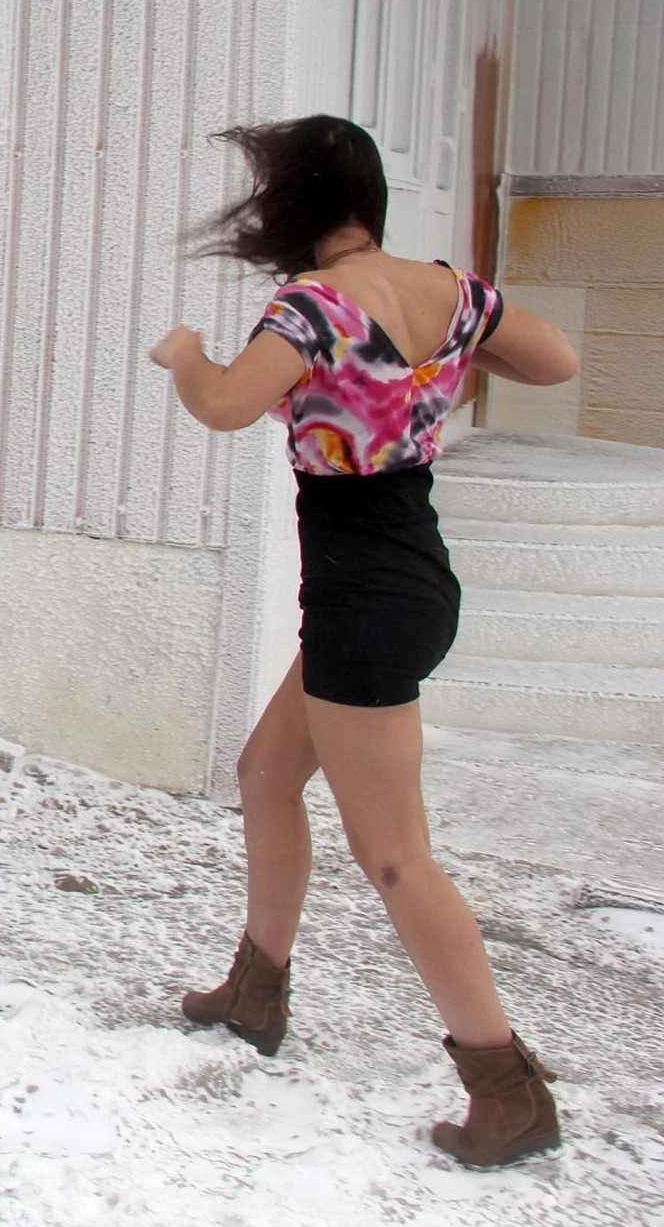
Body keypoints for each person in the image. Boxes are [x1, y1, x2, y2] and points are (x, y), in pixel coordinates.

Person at [147, 114, 581, 1169]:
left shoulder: (308, 308)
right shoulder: (449, 291)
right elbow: (557, 360)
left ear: (295, 207)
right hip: (405, 577)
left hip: (362, 597)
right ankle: (257, 992)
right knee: (265, 774)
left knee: (396, 858)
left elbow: (223, 405)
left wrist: (186, 354)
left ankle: (504, 1083)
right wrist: (442, 369)